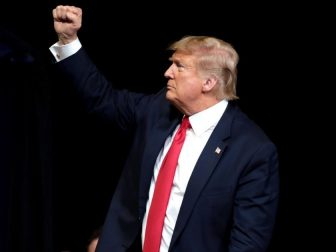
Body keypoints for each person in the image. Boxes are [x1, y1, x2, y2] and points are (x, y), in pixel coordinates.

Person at [50, 5, 279, 252]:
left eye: (179, 66)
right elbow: (103, 99)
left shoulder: (252, 150)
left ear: (208, 82)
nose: (167, 73)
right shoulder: (158, 108)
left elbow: (248, 243)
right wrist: (68, 40)